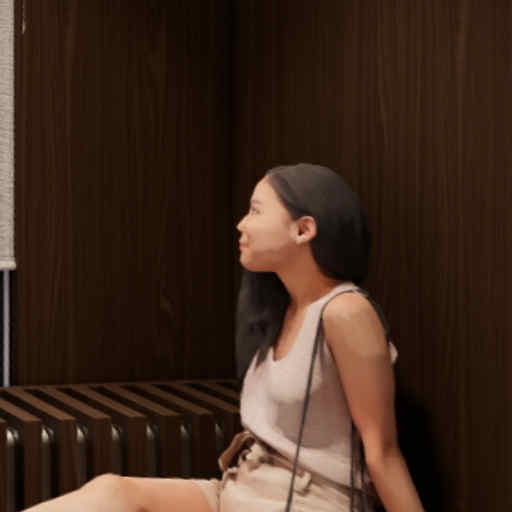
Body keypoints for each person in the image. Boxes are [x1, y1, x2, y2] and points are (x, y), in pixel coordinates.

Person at [24, 163, 424, 512]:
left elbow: (383, 453)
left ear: (303, 229)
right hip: (241, 492)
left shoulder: (346, 311)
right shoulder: (280, 310)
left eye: (256, 210)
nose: (241, 224)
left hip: (308, 503)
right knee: (112, 492)